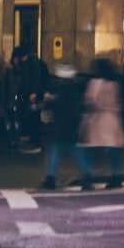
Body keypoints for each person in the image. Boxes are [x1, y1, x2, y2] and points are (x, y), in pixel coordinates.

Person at [79, 56, 124, 190]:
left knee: (89, 149)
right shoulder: (114, 83)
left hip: (98, 120)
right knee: (113, 151)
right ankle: (116, 177)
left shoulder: (95, 82)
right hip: (112, 119)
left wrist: (86, 118)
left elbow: (91, 101)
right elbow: (118, 103)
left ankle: (88, 177)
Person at [35, 62, 85, 191]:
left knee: (56, 150)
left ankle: (51, 178)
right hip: (70, 123)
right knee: (71, 149)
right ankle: (86, 175)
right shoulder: (74, 85)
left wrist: (44, 102)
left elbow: (59, 102)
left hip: (62, 123)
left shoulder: (63, 86)